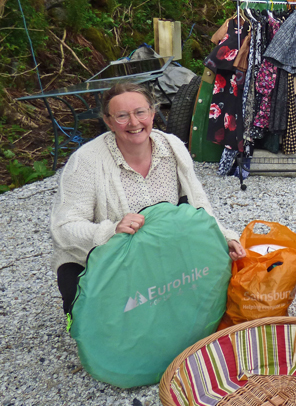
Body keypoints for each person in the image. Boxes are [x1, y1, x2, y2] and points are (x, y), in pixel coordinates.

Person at [50, 81, 246, 315]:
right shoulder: (86, 161)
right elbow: (63, 228)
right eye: (122, 116)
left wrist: (224, 236)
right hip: (103, 259)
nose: (134, 123)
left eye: (140, 112)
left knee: (211, 289)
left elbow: (197, 201)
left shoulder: (172, 147)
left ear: (153, 113)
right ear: (109, 121)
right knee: (104, 321)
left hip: (157, 252)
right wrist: (111, 231)